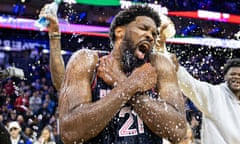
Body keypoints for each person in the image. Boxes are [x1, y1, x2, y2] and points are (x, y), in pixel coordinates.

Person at [39, 4, 187, 144]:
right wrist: (131, 85)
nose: (150, 36)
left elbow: (177, 131)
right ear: (119, 32)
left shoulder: (159, 64)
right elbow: (70, 133)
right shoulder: (87, 61)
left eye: (154, 34)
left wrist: (122, 83)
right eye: (144, 28)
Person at [176, 58, 240, 144]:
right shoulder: (214, 94)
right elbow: (190, 85)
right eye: (233, 74)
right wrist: (177, 69)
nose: (236, 77)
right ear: (225, 76)